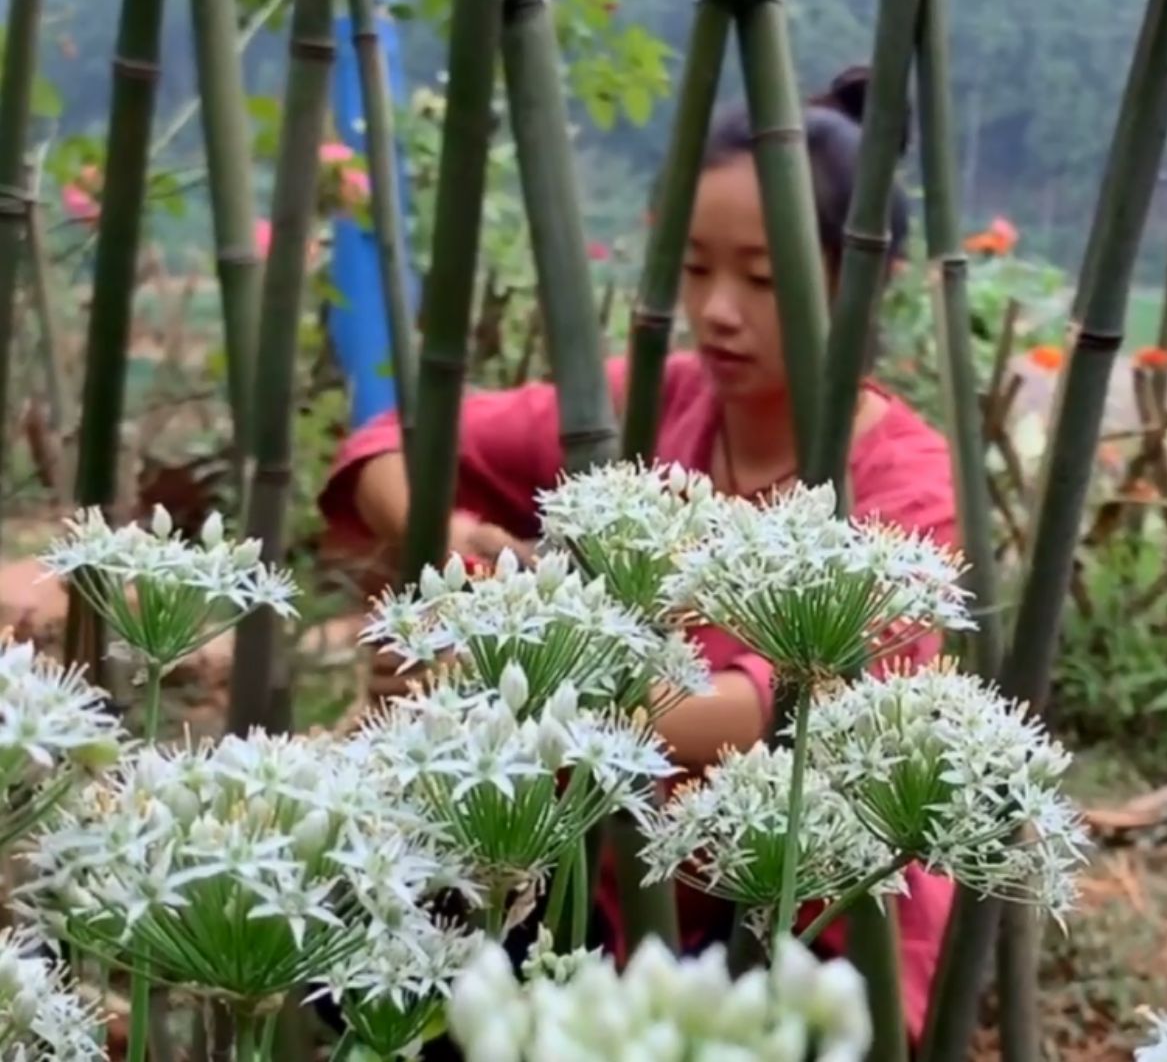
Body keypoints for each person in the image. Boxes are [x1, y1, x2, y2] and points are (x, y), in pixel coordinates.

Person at [316, 68, 960, 1047]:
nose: (719, 310)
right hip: (607, 889)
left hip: (800, 926)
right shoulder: (657, 401)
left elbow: (774, 710)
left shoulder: (906, 480)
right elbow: (386, 449)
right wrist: (454, 543)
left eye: (763, 274)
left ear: (864, 278)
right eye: (696, 268)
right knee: (352, 942)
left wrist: (534, 683)